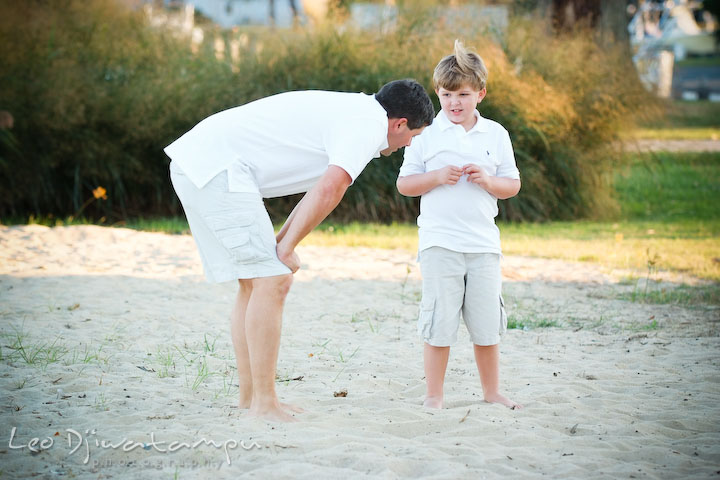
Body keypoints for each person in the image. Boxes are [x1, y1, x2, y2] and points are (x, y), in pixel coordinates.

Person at [166, 79, 435, 422]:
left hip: (205, 163)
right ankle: (264, 404)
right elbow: (332, 188)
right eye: (413, 135)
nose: (408, 144)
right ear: (399, 124)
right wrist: (287, 249)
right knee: (272, 280)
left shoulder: (357, 111)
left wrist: (282, 242)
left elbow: (320, 189)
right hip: (217, 168)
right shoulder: (367, 125)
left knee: (257, 281)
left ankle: (252, 399)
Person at [396, 41, 522, 410]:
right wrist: (435, 176)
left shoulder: (496, 135)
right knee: (439, 321)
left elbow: (511, 185)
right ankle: (434, 395)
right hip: (439, 243)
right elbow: (405, 185)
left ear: (480, 94)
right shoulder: (426, 135)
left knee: (486, 324)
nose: (455, 102)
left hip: (483, 244)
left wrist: (487, 180)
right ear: (438, 92)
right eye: (448, 94)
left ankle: (492, 391)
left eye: (464, 94)